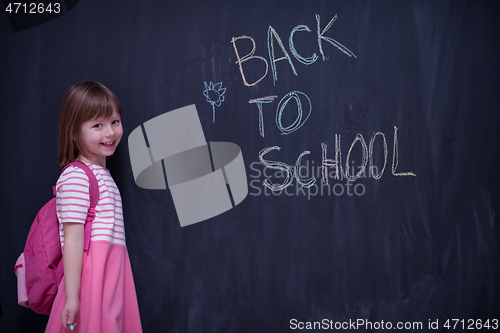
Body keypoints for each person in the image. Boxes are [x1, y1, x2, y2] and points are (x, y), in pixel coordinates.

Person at [45, 82, 142, 332]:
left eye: (114, 121)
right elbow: (73, 240)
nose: (109, 133)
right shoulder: (76, 176)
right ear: (74, 133)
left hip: (110, 271)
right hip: (92, 276)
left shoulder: (101, 175)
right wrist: (73, 297)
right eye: (97, 125)